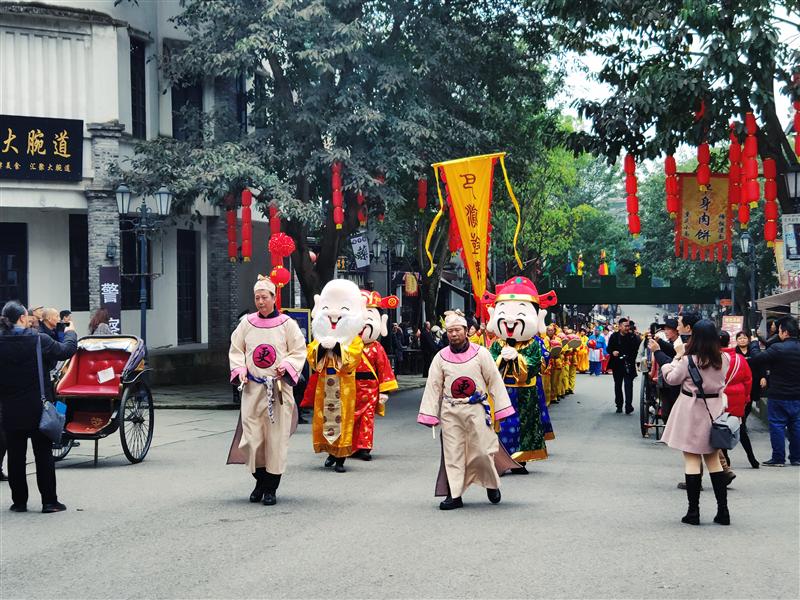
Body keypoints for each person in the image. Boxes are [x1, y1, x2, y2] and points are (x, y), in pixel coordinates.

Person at [417, 310, 517, 510]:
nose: (454, 334)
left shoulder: (481, 354)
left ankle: (491, 484)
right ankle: (454, 495)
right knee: (452, 453)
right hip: (450, 410)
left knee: (482, 451)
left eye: (457, 330)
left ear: (466, 331)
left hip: (477, 408)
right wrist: (429, 413)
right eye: (450, 331)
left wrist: (502, 409)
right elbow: (433, 386)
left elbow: (494, 381)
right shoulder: (440, 357)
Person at [227, 276, 307, 506]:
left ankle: (270, 488)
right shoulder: (247, 323)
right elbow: (236, 350)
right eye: (257, 298)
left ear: (274, 298)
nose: (260, 302)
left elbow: (299, 351)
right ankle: (260, 480)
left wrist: (287, 366)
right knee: (252, 439)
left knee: (276, 439)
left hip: (278, 390)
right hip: (253, 389)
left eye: (264, 297)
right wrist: (240, 369)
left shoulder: (287, 324)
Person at [0, 300, 77, 513]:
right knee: (43, 454)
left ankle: (19, 502)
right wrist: (70, 332)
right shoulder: (38, 340)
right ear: (23, 318)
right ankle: (49, 502)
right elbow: (65, 351)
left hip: (9, 408)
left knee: (16, 456)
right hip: (37, 407)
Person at [655, 320, 732, 526]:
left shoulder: (688, 360)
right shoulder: (724, 358)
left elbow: (672, 378)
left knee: (691, 460)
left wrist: (673, 359)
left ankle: (693, 512)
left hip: (691, 409)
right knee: (714, 460)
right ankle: (723, 511)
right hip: (714, 410)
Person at [306, 279, 367, 473]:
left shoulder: (354, 340)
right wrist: (322, 347)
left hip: (344, 387)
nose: (334, 314)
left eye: (342, 308)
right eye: (328, 307)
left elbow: (353, 360)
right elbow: (311, 357)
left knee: (343, 420)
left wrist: (338, 347)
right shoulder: (319, 339)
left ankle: (341, 457)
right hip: (324, 385)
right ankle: (330, 453)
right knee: (324, 418)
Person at [351, 291, 399, 460]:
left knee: (367, 418)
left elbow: (384, 369)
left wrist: (384, 391)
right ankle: (349, 447)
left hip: (370, 388)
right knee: (349, 418)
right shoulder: (348, 345)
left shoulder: (376, 347)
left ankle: (364, 447)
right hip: (349, 387)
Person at [747, 316, 800, 467]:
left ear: (784, 332)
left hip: (778, 394)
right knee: (796, 425)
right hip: (797, 395)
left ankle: (778, 458)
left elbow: (757, 358)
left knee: (777, 425)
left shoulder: (778, 349)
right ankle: (796, 457)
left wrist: (754, 343)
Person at [733, 331, 762, 468]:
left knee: (746, 412)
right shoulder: (734, 354)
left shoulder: (753, 352)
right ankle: (751, 460)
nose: (743, 340)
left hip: (747, 390)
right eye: (740, 338)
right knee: (741, 427)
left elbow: (760, 365)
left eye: (745, 338)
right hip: (740, 393)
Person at [606, 317, 640, 414]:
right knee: (618, 385)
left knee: (629, 386)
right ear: (620, 327)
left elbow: (637, 350)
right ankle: (619, 405)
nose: (627, 328)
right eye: (625, 326)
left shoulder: (633, 337)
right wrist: (613, 352)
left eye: (628, 326)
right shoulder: (614, 336)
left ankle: (628, 405)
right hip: (617, 364)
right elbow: (608, 349)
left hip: (628, 364)